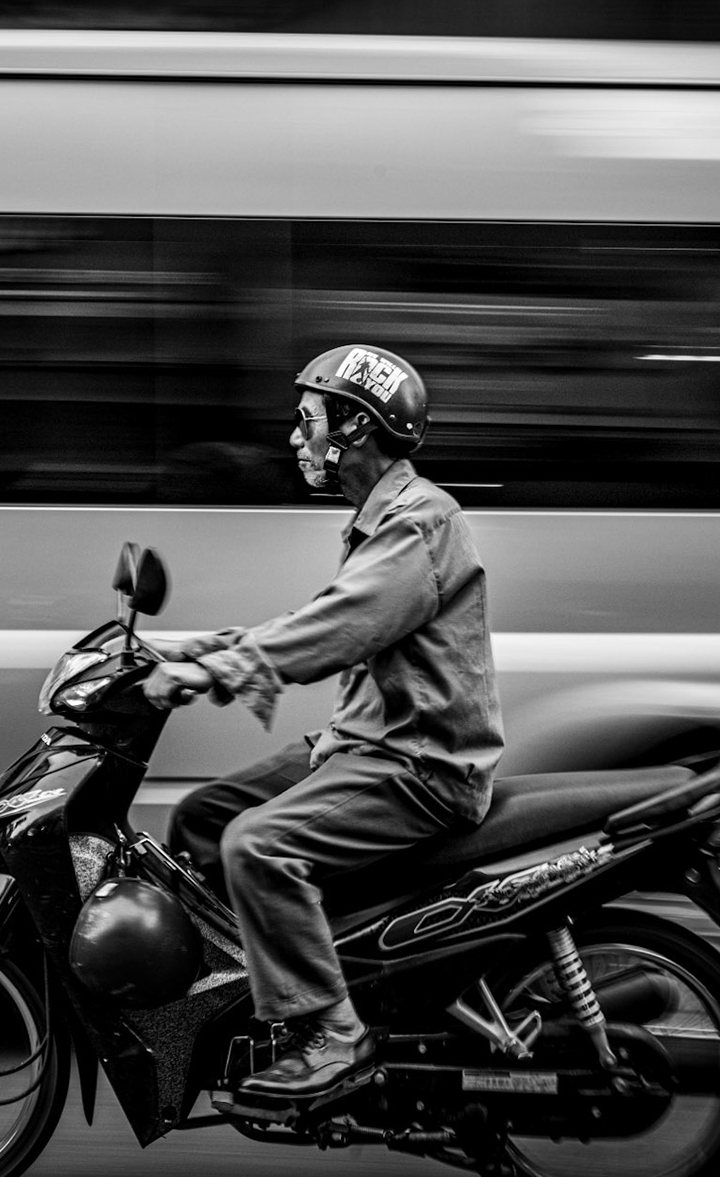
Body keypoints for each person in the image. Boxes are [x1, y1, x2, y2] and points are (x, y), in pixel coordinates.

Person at [142, 343, 504, 1102]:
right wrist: (219, 646)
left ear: (354, 428)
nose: (294, 438)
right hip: (367, 745)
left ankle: (333, 1032)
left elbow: (341, 626)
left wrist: (224, 669)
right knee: (205, 819)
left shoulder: (421, 523)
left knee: (257, 846)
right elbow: (327, 619)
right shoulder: (382, 521)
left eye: (306, 421)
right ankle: (269, 998)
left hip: (418, 766)